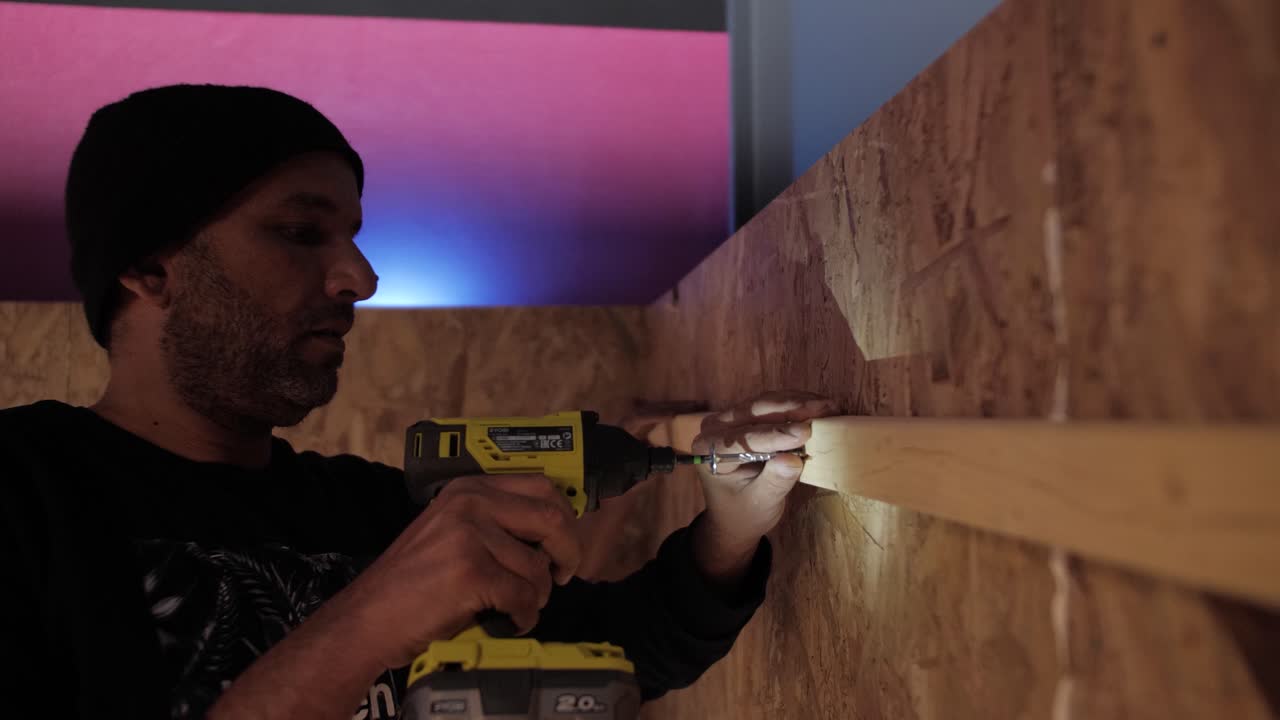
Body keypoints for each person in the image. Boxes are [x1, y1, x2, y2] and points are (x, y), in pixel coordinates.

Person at [0, 85, 836, 719]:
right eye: (301, 232)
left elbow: (629, 650)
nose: (360, 279)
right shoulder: (28, 495)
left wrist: (731, 525)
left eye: (356, 237)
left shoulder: (365, 510)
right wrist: (368, 623)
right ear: (150, 268)